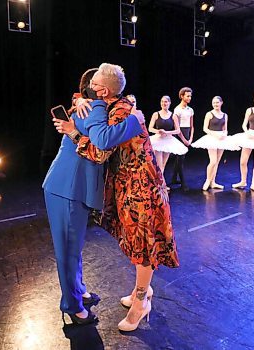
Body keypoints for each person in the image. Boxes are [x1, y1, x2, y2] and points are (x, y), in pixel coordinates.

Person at [77, 64, 180, 332]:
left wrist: (73, 132)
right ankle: (140, 291)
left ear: (104, 90)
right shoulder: (117, 105)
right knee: (137, 244)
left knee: (143, 246)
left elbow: (100, 152)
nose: (90, 88)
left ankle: (142, 301)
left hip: (140, 188)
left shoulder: (122, 111)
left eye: (94, 84)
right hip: (129, 185)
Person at [43, 68, 144, 326]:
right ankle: (73, 306)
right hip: (67, 187)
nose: (91, 86)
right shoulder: (96, 107)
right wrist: (135, 121)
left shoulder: (89, 105)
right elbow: (102, 140)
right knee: (68, 250)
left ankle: (78, 291)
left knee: (73, 246)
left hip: (70, 186)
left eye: (95, 83)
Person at [191, 96, 240, 190]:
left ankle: (213, 182)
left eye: (217, 102)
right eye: (214, 103)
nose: (215, 104)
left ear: (221, 103)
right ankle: (208, 180)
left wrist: (224, 134)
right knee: (213, 161)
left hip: (221, 138)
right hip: (212, 138)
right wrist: (215, 135)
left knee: (217, 162)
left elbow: (225, 129)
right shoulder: (209, 114)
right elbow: (205, 128)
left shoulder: (225, 115)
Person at [148, 95, 188, 177]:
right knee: (159, 165)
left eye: (165, 101)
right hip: (158, 140)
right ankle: (161, 185)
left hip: (168, 140)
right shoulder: (156, 114)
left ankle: (161, 184)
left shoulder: (173, 116)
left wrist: (167, 132)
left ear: (169, 103)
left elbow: (178, 130)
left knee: (163, 164)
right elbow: (150, 128)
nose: (163, 103)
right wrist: (158, 131)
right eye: (162, 101)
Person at [171, 87, 194, 192]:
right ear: (182, 96)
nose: (189, 98)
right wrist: (184, 140)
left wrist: (190, 138)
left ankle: (174, 178)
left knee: (179, 158)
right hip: (180, 135)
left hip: (187, 133)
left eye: (190, 96)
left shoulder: (190, 110)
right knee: (181, 159)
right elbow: (177, 128)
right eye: (187, 96)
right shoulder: (177, 110)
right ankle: (183, 182)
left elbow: (192, 126)